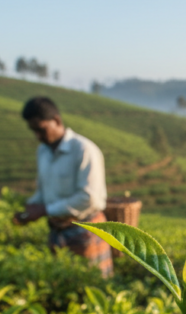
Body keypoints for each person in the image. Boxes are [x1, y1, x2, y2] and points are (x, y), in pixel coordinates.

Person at [12, 97, 113, 278]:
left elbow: (90, 198)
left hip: (86, 231)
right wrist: (31, 208)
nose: (38, 136)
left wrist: (45, 210)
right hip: (58, 231)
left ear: (56, 121)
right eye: (33, 131)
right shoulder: (43, 152)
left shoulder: (83, 150)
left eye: (41, 130)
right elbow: (43, 190)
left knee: (93, 287)